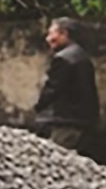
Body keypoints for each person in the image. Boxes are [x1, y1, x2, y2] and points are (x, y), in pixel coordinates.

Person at [34, 17, 99, 151]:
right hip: (83, 120)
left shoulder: (63, 59)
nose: (48, 39)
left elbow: (53, 89)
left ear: (64, 34)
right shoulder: (81, 56)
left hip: (67, 120)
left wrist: (39, 106)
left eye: (52, 34)